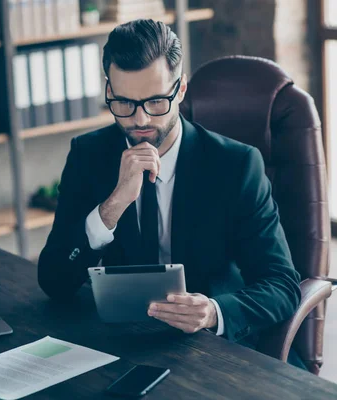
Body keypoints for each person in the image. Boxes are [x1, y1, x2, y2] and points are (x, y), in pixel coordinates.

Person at [37, 19, 303, 366]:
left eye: (156, 102)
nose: (140, 120)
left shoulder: (235, 165)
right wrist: (113, 205)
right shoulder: (88, 155)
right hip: (124, 344)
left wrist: (212, 311)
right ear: (108, 91)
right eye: (124, 103)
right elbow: (53, 281)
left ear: (180, 89)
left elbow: (282, 285)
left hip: (212, 347)